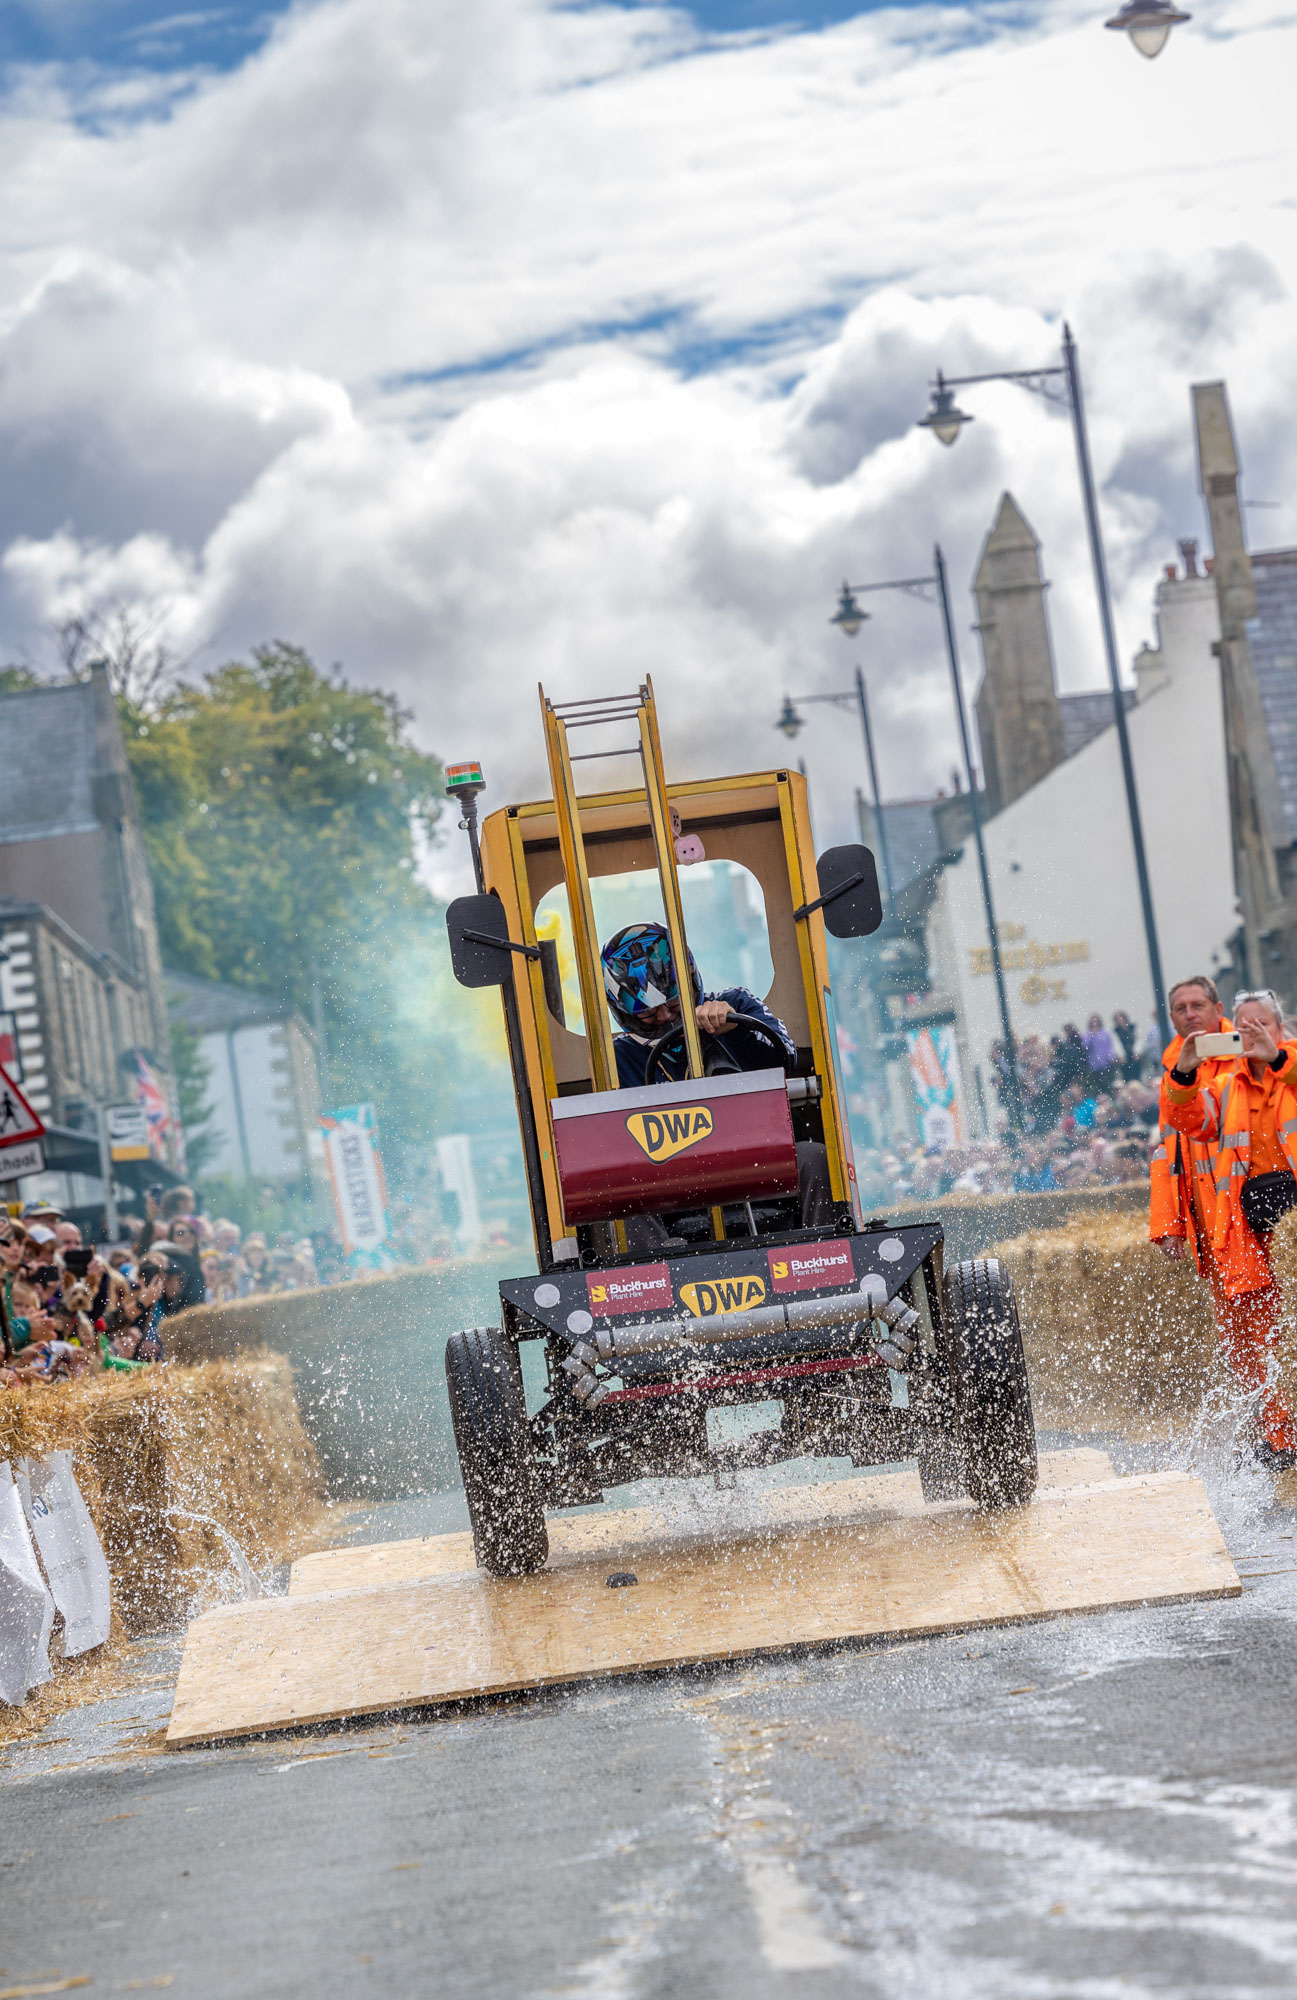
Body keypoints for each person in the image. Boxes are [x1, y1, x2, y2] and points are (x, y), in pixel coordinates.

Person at [599, 921, 834, 1233]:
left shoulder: (736, 1005)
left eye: (673, 1003)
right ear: (625, 1013)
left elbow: (783, 1061)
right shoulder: (620, 1057)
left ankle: (825, 1258)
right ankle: (651, 1275)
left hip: (759, 1157)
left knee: (815, 1159)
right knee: (622, 1191)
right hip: (673, 1180)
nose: (667, 1017)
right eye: (649, 1014)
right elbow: (620, 1143)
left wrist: (735, 1031)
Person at [1161, 987, 1297, 1471]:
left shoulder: (1292, 1066)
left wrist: (1276, 1057)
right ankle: (1280, 1439)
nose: (1254, 1035)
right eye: (1246, 1028)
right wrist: (1183, 1072)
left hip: (1292, 1217)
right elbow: (1188, 1120)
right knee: (1256, 1335)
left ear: (1280, 1028)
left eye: (1262, 1024)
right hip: (1250, 1227)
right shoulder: (1227, 1084)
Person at [1151, 976, 1236, 1270]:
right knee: (1229, 1314)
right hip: (1207, 1216)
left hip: (1249, 1204)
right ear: (1172, 1019)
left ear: (1218, 1008)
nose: (1190, 1014)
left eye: (1197, 1005)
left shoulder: (1247, 1054)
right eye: (1181, 1008)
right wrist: (1168, 1225)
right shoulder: (1171, 1075)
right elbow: (1166, 1150)